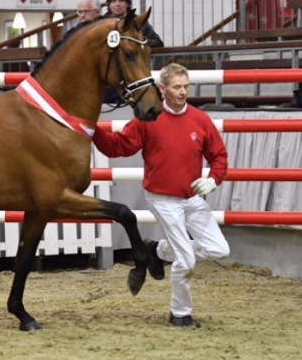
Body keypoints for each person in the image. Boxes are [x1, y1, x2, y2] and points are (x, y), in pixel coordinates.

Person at [93, 63, 230, 328]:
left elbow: (219, 156)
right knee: (186, 259)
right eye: (177, 87)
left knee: (220, 249)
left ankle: (157, 249)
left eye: (186, 87)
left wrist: (213, 180)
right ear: (162, 89)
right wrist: (94, 130)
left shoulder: (200, 120)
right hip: (162, 199)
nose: (182, 92)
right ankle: (179, 314)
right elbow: (118, 147)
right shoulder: (148, 117)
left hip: (192, 199)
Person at [102, 0, 164, 104]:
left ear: (128, 4)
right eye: (114, 1)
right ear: (109, 5)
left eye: (121, 1)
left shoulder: (138, 21)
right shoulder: (101, 22)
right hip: (109, 77)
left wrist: (135, 41)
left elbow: (157, 42)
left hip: (134, 72)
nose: (117, 4)